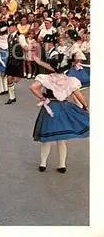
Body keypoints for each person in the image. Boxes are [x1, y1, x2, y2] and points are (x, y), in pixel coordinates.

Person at [30, 34, 89, 173]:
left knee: (47, 138)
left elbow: (33, 87)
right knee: (61, 139)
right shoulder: (70, 80)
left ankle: (43, 164)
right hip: (64, 108)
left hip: (50, 107)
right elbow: (78, 94)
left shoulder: (47, 78)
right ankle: (61, 165)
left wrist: (42, 98)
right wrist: (86, 106)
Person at [4, 19, 28, 104]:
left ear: (14, 27)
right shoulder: (9, 36)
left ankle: (21, 76)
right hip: (10, 59)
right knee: (9, 77)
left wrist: (19, 42)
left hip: (18, 60)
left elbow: (26, 48)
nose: (9, 29)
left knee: (17, 79)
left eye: (10, 27)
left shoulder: (20, 36)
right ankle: (12, 97)